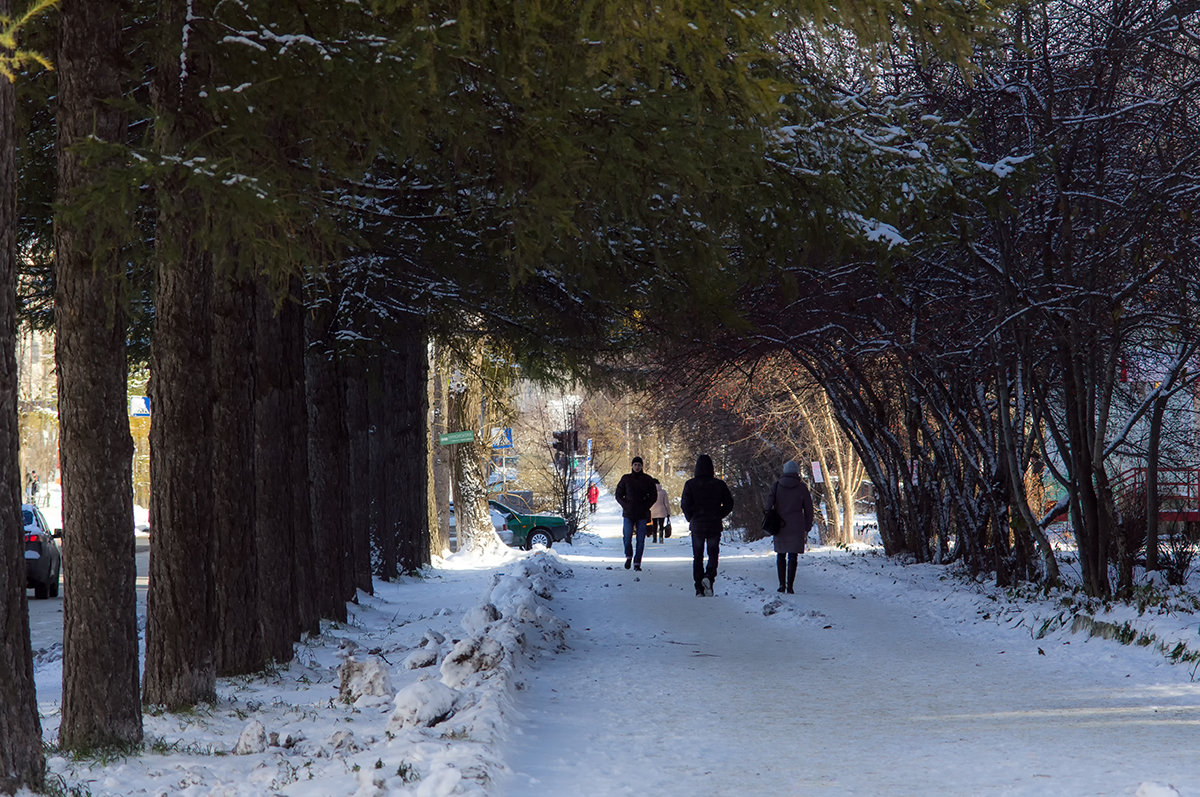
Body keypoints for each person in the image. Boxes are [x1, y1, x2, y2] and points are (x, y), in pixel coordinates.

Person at [680, 453, 733, 596]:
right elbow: (729, 503)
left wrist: (691, 517)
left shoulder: (690, 484)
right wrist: (719, 514)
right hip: (714, 523)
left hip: (697, 524)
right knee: (713, 553)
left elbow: (684, 504)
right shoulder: (719, 484)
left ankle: (698, 587)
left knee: (697, 556)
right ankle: (709, 576)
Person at [766, 460, 814, 594]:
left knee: (780, 555)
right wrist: (807, 525)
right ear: (797, 472)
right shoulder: (802, 488)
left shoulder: (776, 486)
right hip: (796, 525)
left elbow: (768, 505)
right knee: (793, 556)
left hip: (779, 525)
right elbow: (809, 509)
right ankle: (790, 586)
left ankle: (781, 584)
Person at [614, 456, 657, 570]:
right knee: (627, 537)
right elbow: (618, 494)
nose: (637, 467)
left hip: (642, 514)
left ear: (642, 466)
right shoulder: (626, 479)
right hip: (628, 513)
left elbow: (654, 496)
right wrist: (625, 504)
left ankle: (637, 562)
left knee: (640, 540)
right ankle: (628, 556)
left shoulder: (647, 479)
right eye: (635, 465)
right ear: (632, 466)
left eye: (639, 465)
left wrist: (646, 505)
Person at [649, 479, 670, 543]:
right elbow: (666, 503)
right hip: (662, 511)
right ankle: (661, 538)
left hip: (653, 511)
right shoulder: (663, 492)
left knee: (654, 525)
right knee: (661, 525)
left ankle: (654, 538)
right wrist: (668, 512)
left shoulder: (650, 492)